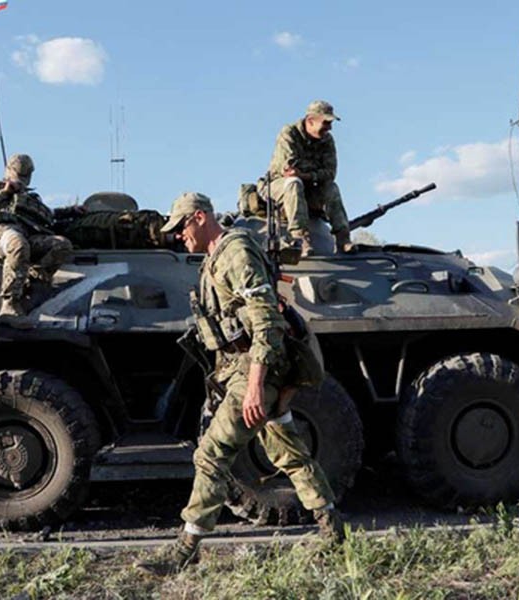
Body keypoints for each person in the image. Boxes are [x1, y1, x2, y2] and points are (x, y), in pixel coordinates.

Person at [137, 192, 343, 575]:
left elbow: (268, 321)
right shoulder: (217, 256)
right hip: (245, 369)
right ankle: (332, 528)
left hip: (254, 369)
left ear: (200, 217)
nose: (178, 236)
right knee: (288, 451)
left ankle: (186, 549)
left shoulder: (235, 253)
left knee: (211, 454)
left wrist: (255, 386)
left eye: (181, 227)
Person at [0, 153, 74, 327]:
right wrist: (5, 192)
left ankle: (32, 285)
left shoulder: (30, 198)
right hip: (0, 233)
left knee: (61, 245)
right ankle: (9, 305)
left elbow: (49, 215)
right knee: (18, 244)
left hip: (26, 234)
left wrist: (71, 211)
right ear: (8, 170)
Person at [259, 100, 354, 256]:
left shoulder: (327, 140)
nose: (329, 128)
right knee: (293, 183)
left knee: (331, 188)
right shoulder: (289, 133)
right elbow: (289, 169)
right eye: (326, 123)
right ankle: (300, 238)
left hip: (308, 186)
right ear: (310, 121)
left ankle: (343, 238)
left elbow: (330, 174)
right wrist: (312, 173)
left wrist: (306, 174)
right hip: (277, 185)